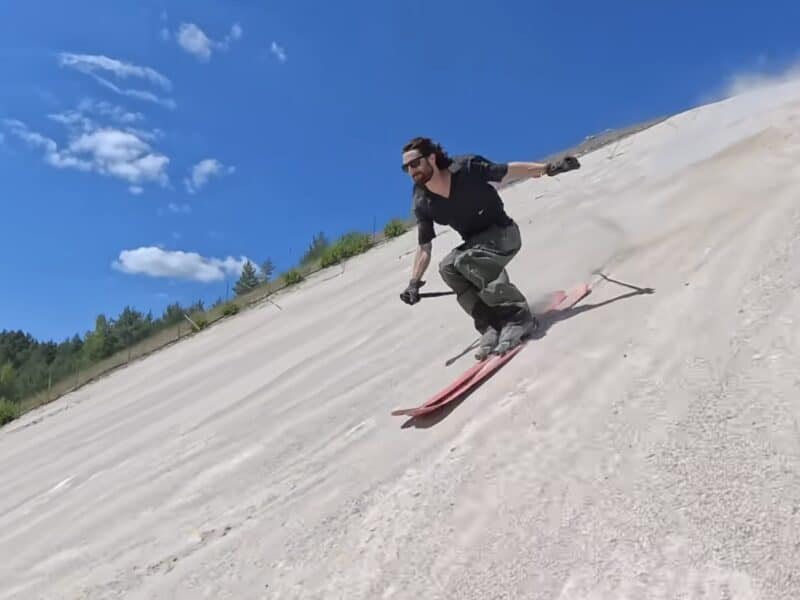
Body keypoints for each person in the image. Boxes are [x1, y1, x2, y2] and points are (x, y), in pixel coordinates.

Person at [398, 136, 580, 359]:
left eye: (415, 163)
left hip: (504, 234)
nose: (411, 170)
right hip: (476, 246)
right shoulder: (422, 200)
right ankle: (490, 324)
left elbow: (508, 171)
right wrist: (414, 283)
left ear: (432, 158)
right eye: (405, 167)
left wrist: (548, 168)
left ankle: (518, 317)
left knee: (466, 259)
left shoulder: (466, 167)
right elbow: (424, 245)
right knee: (448, 267)